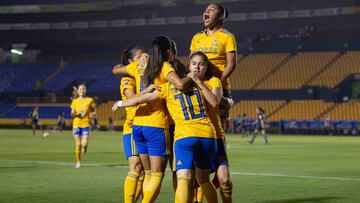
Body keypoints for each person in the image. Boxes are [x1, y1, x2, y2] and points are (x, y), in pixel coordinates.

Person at [113, 52, 220, 203]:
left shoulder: (167, 87)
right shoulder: (205, 85)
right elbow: (215, 103)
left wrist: (120, 103)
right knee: (203, 180)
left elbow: (143, 99)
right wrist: (199, 82)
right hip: (207, 135)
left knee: (182, 178)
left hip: (184, 136)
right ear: (187, 69)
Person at [112, 35, 193, 202]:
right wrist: (194, 76)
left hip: (139, 124)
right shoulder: (163, 67)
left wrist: (120, 103)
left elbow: (115, 70)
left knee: (147, 172)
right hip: (160, 123)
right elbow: (180, 84)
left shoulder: (138, 67)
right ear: (169, 52)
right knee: (167, 173)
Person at [190, 2, 237, 131]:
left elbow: (232, 63)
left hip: (218, 85)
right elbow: (191, 61)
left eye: (211, 10)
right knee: (198, 125)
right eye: (206, 10)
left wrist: (219, 82)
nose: (207, 12)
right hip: (199, 84)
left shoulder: (227, 36)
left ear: (221, 16)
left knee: (219, 128)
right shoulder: (197, 37)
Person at [118, 46, 145, 203]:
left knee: (143, 171)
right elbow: (132, 98)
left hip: (145, 126)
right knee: (135, 167)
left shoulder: (143, 76)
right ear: (131, 62)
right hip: (133, 127)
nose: (143, 58)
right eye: (139, 56)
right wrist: (149, 90)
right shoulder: (127, 79)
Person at [70, 84, 96, 168]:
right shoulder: (74, 101)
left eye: (84, 89)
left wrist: (92, 115)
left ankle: (85, 146)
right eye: (80, 89)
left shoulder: (90, 100)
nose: (82, 90)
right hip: (76, 124)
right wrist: (74, 113)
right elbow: (72, 113)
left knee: (84, 143)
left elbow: (93, 111)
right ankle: (78, 162)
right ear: (78, 91)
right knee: (78, 144)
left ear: (86, 90)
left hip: (86, 124)